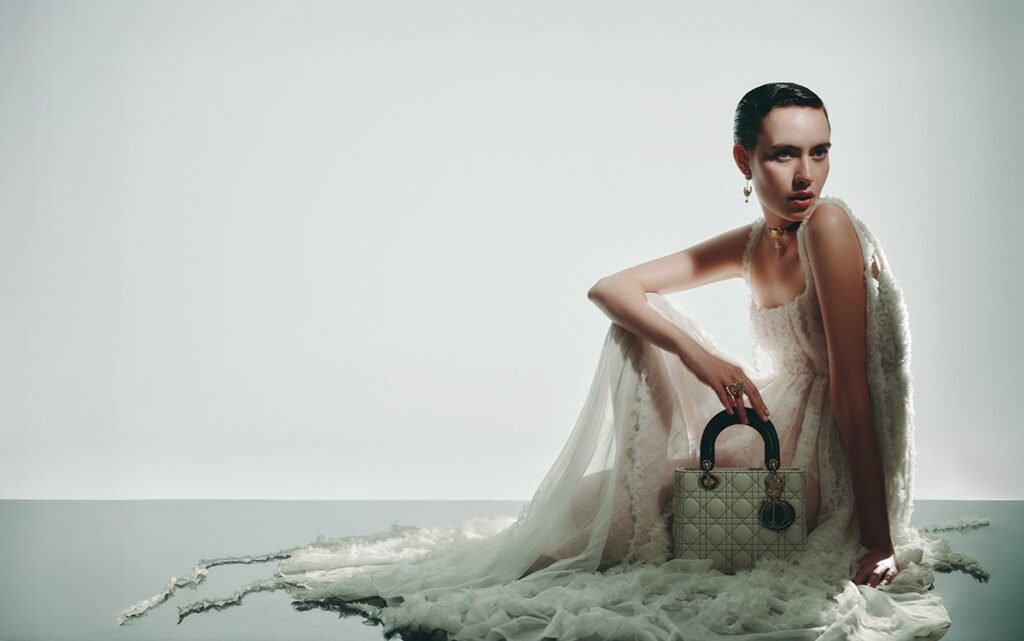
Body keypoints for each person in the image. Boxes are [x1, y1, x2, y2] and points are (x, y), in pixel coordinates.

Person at [119, 83, 986, 640]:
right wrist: (700, 350)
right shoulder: (758, 238)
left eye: (820, 150)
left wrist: (876, 537)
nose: (806, 174)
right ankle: (605, 532)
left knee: (608, 529)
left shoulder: (828, 225)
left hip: (834, 456)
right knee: (615, 403)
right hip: (780, 426)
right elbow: (612, 286)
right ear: (743, 160)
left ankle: (637, 532)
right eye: (784, 153)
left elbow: (856, 397)